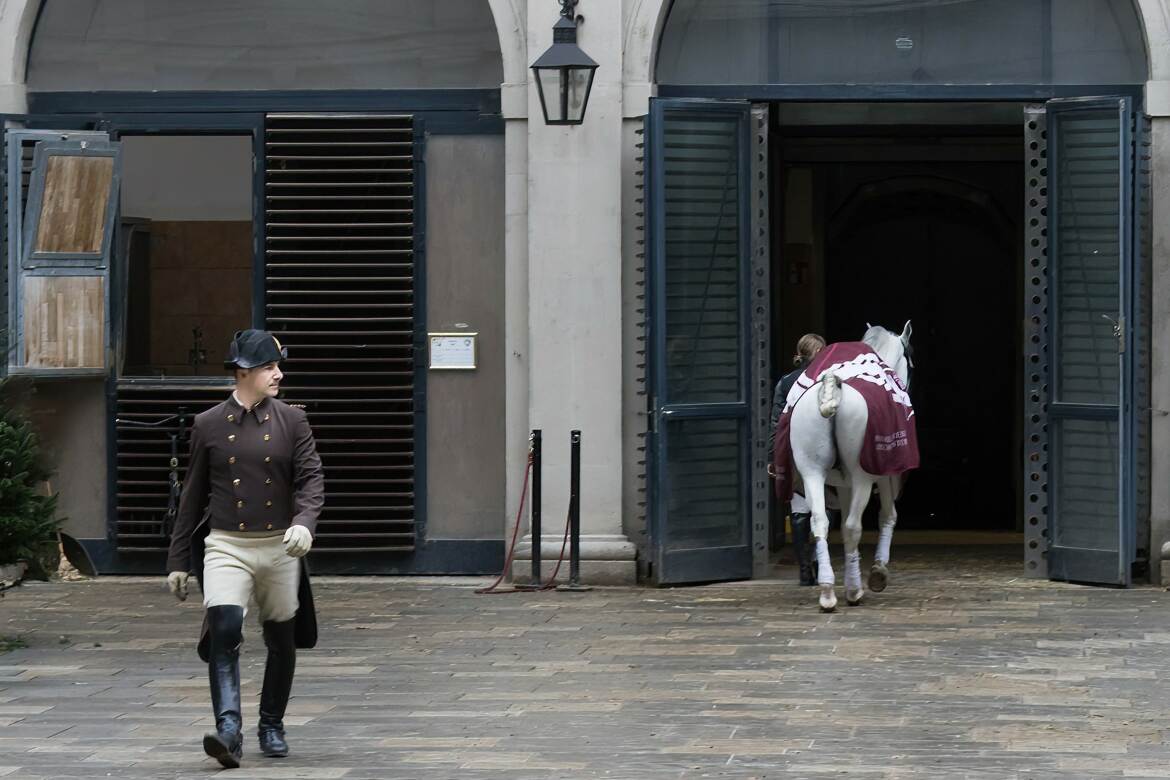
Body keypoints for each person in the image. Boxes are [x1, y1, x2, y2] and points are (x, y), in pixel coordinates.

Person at [165, 329, 324, 768]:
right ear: (243, 372)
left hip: (279, 547)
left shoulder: (293, 420)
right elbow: (192, 496)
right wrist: (179, 560)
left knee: (281, 638)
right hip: (226, 545)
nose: (278, 374)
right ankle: (229, 730)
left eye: (277, 366)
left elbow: (311, 480)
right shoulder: (209, 423)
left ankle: (271, 724)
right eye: (269, 367)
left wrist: (304, 524)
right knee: (225, 629)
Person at [768, 333, 830, 585]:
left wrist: (774, 455)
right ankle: (814, 561)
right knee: (825, 508)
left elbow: (776, 424)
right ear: (816, 353)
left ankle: (805, 570)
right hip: (825, 455)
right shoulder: (828, 382)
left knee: (800, 510)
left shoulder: (785, 382)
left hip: (794, 453)